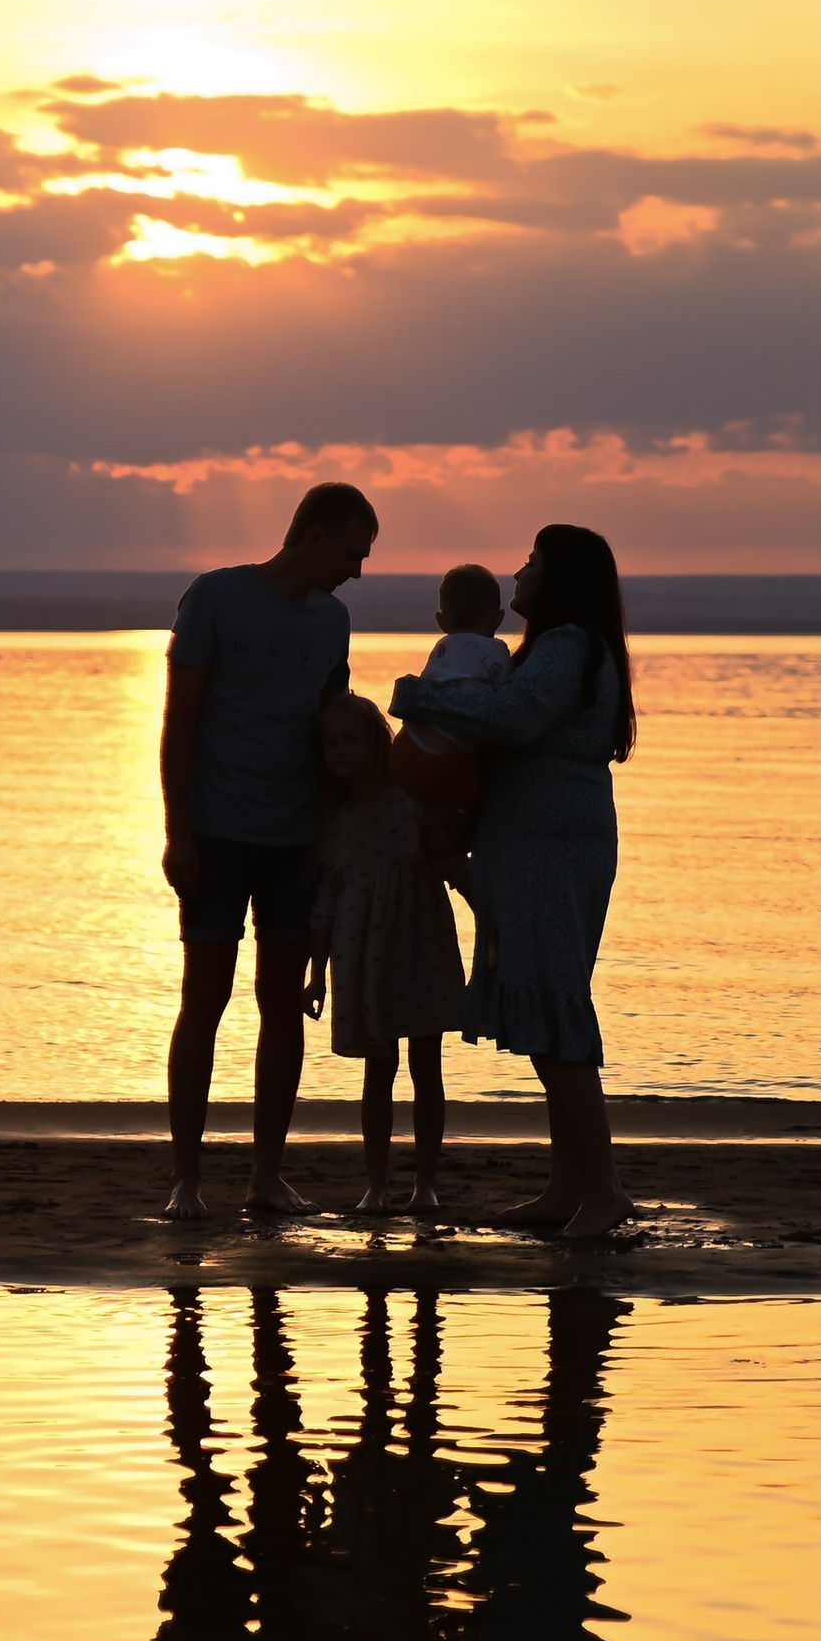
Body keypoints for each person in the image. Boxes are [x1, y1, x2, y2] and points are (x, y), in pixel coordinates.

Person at [387, 523, 638, 1239]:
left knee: (555, 1011)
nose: (519, 573)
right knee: (545, 1009)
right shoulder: (561, 648)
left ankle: (603, 1193)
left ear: (560, 580)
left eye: (532, 562)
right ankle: (568, 1187)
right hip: (536, 845)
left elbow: (513, 718)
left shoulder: (568, 646)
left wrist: (418, 698)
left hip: (549, 850)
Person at [160, 482, 378, 1220]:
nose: (356, 570)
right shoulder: (215, 597)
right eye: (351, 552)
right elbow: (180, 721)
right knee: (204, 1000)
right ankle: (187, 1182)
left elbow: (336, 728)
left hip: (297, 842)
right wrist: (178, 832)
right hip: (216, 836)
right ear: (314, 535)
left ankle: (265, 1178)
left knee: (283, 1006)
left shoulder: (334, 620)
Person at [304, 694, 465, 1216]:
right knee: (379, 1068)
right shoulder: (335, 817)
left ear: (376, 742)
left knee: (426, 1065)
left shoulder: (411, 798)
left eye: (351, 740)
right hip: (363, 952)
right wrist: (316, 974)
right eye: (331, 743)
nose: (341, 751)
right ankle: (376, 1183)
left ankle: (425, 1183)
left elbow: (449, 857)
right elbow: (325, 902)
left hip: (420, 941)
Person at [393, 564, 513, 880]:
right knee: (472, 802)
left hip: (407, 748)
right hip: (448, 759)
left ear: (441, 621)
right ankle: (454, 864)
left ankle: (420, 846)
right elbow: (506, 699)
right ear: (499, 618)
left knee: (422, 807)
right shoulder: (497, 650)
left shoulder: (441, 648)